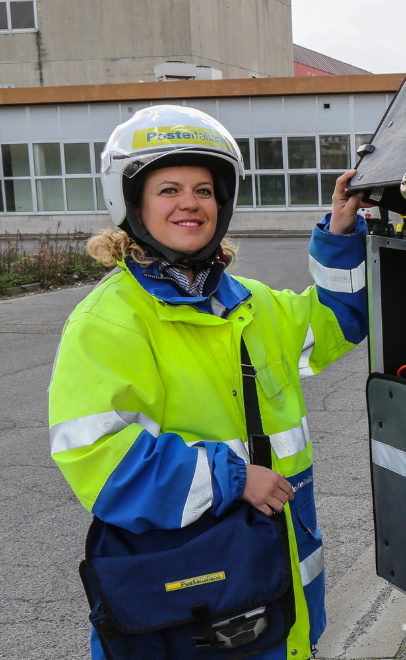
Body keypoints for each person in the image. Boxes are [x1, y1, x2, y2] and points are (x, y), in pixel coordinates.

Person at [48, 105, 368, 659]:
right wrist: (232, 479)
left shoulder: (253, 303)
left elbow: (337, 319)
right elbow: (96, 456)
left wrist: (340, 232)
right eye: (168, 189)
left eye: (204, 189)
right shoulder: (111, 319)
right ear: (132, 204)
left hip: (271, 584)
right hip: (189, 601)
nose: (190, 203)